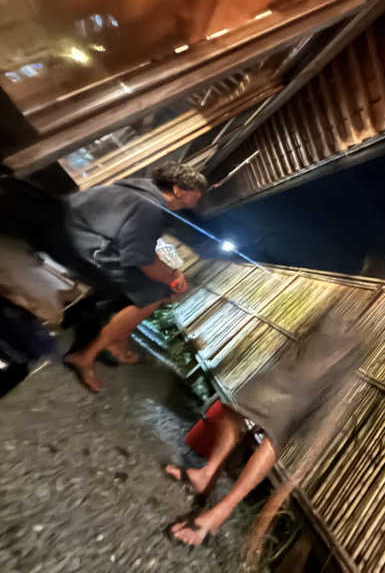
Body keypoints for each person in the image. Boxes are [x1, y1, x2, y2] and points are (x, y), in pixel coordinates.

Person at [165, 311, 362, 546]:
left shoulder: (365, 334)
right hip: (302, 358)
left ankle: (219, 513)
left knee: (276, 428)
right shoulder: (341, 308)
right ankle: (206, 474)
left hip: (325, 379)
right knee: (237, 406)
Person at [62, 163, 207, 392]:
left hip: (74, 233)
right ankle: (85, 356)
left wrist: (171, 272)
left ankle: (116, 339)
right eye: (197, 193)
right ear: (178, 190)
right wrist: (171, 279)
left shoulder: (141, 192)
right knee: (155, 294)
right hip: (78, 246)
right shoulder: (149, 209)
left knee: (154, 286)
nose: (199, 198)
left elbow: (142, 244)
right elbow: (141, 259)